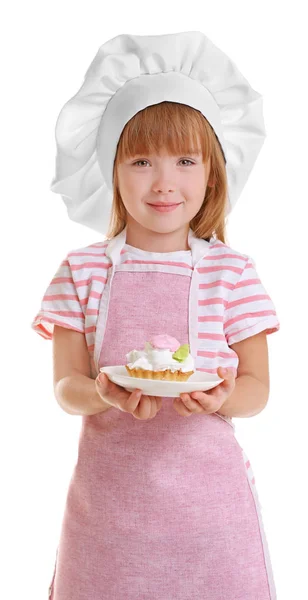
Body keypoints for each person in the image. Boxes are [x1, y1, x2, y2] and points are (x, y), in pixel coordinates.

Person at [31, 31, 280, 599]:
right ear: (109, 169)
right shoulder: (82, 272)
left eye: (185, 160)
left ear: (213, 171)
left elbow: (258, 388)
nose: (165, 182)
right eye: (141, 160)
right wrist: (102, 394)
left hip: (212, 522)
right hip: (108, 521)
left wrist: (222, 397)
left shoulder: (232, 273)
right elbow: (66, 387)